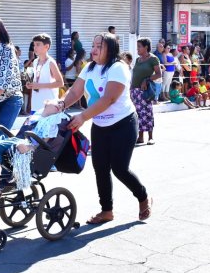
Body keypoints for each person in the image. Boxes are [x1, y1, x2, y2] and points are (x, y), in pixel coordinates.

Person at [58, 33, 152, 224]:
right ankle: (106, 211)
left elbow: (108, 99)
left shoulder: (118, 68)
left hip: (123, 124)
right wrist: (60, 105)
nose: (93, 50)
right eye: (93, 45)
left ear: (110, 49)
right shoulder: (90, 68)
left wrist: (83, 116)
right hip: (100, 125)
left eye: (99, 46)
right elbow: (75, 91)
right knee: (100, 167)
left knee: (119, 168)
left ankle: (143, 197)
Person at [0, 102, 64, 202]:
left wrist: (29, 147)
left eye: (62, 107)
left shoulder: (52, 124)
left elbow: (43, 144)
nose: (60, 106)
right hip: (15, 139)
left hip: (24, 143)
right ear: (47, 103)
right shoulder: (34, 116)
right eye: (58, 103)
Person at [130, 37, 161, 144]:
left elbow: (158, 74)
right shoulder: (138, 60)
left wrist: (147, 80)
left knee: (147, 113)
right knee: (138, 114)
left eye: (139, 46)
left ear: (146, 47)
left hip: (145, 90)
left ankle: (150, 137)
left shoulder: (153, 59)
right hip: (134, 91)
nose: (137, 49)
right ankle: (140, 136)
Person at [25, 34, 63, 113]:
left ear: (46, 47)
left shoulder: (51, 62)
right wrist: (31, 84)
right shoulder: (35, 62)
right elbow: (37, 80)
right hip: (35, 105)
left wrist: (39, 86)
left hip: (49, 106)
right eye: (34, 45)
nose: (35, 47)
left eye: (38, 45)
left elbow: (60, 83)